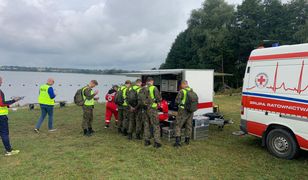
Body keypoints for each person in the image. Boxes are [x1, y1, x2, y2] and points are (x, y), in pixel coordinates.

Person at [0, 76, 22, 156]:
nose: (2, 82)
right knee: (4, 133)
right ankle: (9, 151)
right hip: (1, 116)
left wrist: (9, 105)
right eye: (1, 81)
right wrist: (13, 100)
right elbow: (2, 103)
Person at [174, 80, 194, 147]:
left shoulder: (181, 91)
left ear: (183, 84)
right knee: (188, 125)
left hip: (183, 110)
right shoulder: (191, 91)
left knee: (178, 125)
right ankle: (187, 140)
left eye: (181, 85)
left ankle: (177, 142)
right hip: (190, 111)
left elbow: (177, 101)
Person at [144, 77, 162, 148]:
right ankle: (157, 142)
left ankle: (147, 141)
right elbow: (159, 98)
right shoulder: (154, 88)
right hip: (152, 109)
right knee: (155, 125)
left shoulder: (143, 88)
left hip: (145, 109)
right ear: (152, 81)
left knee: (146, 125)